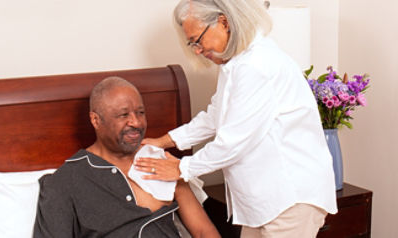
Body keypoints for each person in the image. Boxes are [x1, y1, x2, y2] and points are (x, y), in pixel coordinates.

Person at [133, 0, 338, 237]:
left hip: (289, 196)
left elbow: (233, 142)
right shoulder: (236, 63)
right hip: (266, 200)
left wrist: (181, 168)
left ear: (224, 22)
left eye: (197, 41)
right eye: (192, 44)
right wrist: (164, 141)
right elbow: (215, 115)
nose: (197, 51)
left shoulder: (256, 66)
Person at [33, 76, 220, 238]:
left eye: (141, 113)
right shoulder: (64, 182)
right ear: (95, 120)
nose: (136, 122)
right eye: (123, 115)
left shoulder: (162, 163)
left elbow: (203, 231)